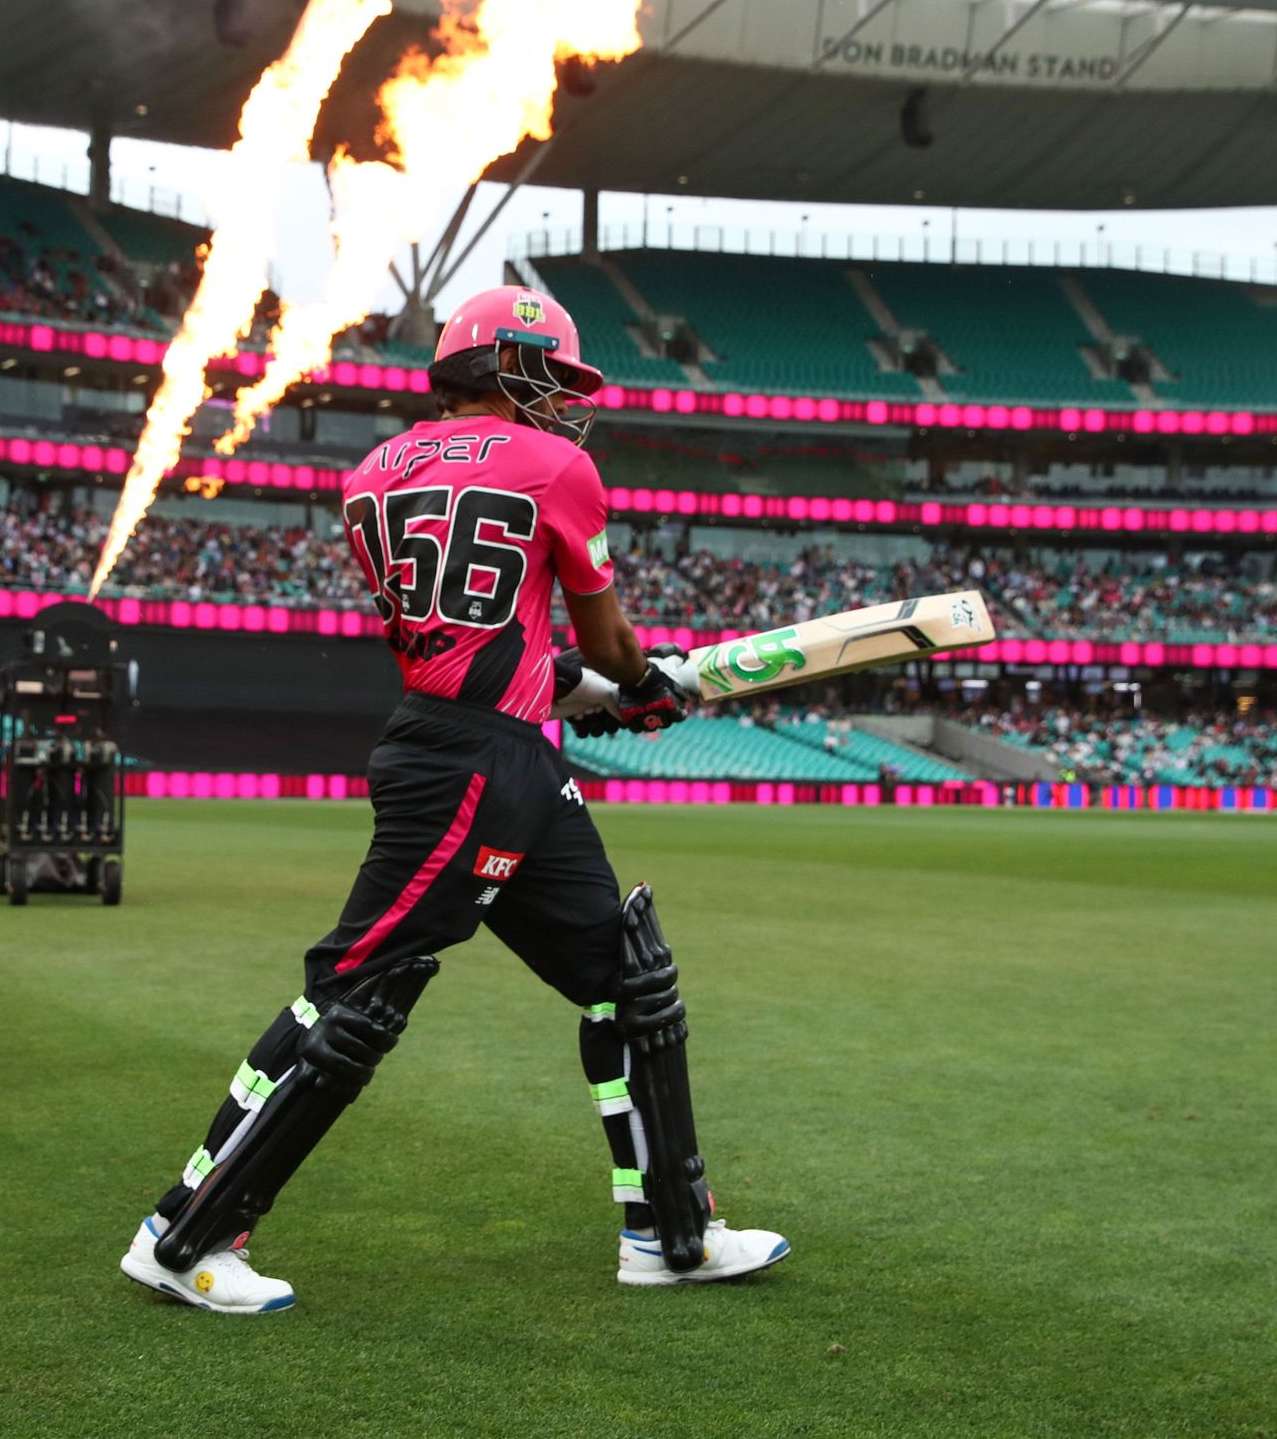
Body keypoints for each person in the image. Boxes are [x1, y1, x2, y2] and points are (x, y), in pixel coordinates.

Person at [119, 287, 787, 1314]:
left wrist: (595, 695)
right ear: (508, 366)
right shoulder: (556, 466)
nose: (565, 399)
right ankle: (185, 1231)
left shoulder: (371, 472)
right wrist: (644, 685)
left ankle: (669, 1233)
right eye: (551, 376)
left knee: (625, 978)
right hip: (474, 767)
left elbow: (477, 640)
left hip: (489, 746)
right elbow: (605, 644)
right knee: (353, 998)